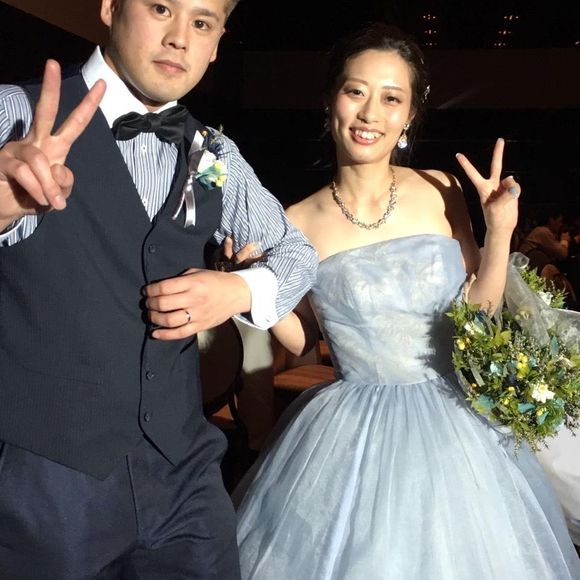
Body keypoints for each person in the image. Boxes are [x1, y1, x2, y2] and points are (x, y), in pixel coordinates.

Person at [235, 23, 580, 579]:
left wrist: (499, 230)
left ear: (409, 115)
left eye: (391, 98)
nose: (370, 112)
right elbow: (302, 342)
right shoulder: (294, 221)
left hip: (458, 430)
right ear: (330, 101)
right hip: (348, 437)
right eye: (355, 91)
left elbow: (480, 316)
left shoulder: (442, 189)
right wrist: (254, 287)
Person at [0, 0, 317, 578]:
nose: (179, 38)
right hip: (45, 478)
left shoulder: (214, 153)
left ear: (216, 44)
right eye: (161, 7)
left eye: (202, 23)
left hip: (184, 475)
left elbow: (297, 253)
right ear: (109, 7)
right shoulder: (16, 114)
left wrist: (239, 291)